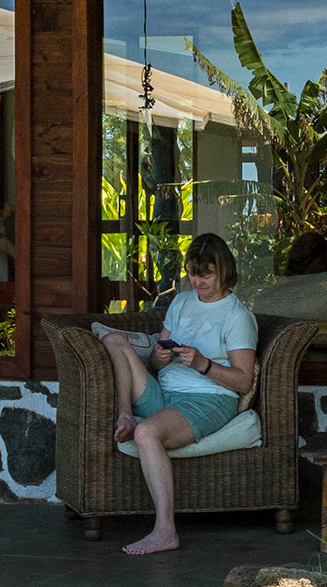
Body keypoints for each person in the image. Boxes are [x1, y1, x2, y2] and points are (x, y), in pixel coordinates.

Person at [95, 231, 256, 557]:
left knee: (147, 431)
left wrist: (203, 364)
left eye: (206, 274)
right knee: (113, 341)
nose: (197, 282)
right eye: (193, 274)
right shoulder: (181, 302)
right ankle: (124, 411)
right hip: (165, 392)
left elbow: (242, 382)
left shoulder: (238, 317)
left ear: (223, 270)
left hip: (209, 399)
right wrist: (159, 357)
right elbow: (155, 361)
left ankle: (165, 530)